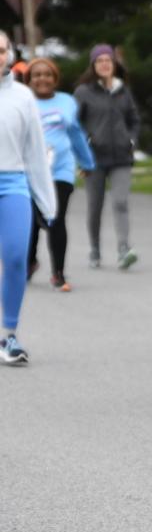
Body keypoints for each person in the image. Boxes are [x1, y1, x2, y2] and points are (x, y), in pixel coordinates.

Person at [0, 30, 56, 364]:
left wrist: (47, 202)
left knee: (18, 257)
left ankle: (9, 335)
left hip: (14, 183)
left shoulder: (22, 97)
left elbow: (35, 151)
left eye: (2, 50)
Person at [26, 58, 96, 291]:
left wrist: (86, 161)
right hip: (30, 171)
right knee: (32, 222)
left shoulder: (66, 102)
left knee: (55, 218)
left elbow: (76, 133)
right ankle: (30, 262)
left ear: (55, 79)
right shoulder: (23, 102)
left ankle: (58, 274)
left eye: (47, 74)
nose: (42, 79)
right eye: (37, 75)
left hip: (60, 170)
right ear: (29, 80)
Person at [75, 44, 140, 270]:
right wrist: (83, 150)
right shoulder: (84, 92)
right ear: (93, 66)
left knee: (121, 202)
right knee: (95, 207)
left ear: (114, 65)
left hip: (121, 157)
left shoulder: (124, 91)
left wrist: (131, 140)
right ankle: (95, 249)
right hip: (94, 159)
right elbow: (74, 125)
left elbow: (134, 120)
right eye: (100, 61)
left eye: (108, 60)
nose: (104, 64)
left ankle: (124, 249)